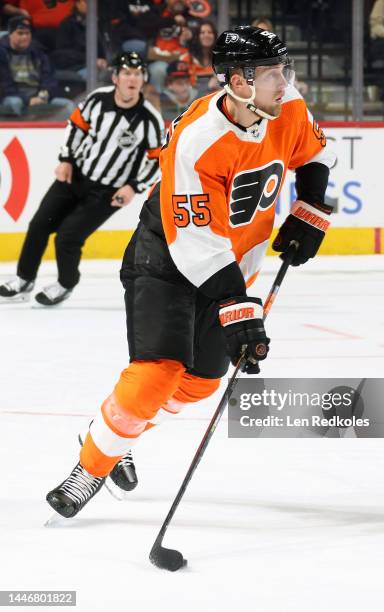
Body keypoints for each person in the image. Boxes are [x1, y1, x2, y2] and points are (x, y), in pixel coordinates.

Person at [45, 25, 336, 519]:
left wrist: (310, 212)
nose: (284, 82)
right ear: (238, 82)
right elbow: (196, 242)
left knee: (201, 380)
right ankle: (90, 467)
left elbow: (317, 155)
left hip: (228, 263)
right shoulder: (197, 139)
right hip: (166, 260)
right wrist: (238, 307)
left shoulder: (286, 106)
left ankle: (115, 435)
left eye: (284, 70)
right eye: (272, 73)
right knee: (158, 373)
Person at [0, 52, 165, 306]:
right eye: (126, 73)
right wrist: (65, 159)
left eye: (137, 74)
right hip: (75, 176)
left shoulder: (149, 118)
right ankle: (24, 279)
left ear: (143, 79)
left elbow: (157, 159)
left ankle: (65, 283)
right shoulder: (97, 99)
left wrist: (133, 186)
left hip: (108, 192)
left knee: (68, 237)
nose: (131, 79)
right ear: (115, 77)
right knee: (39, 225)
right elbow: (75, 127)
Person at [0, 15, 74, 118]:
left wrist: (42, 95)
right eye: (20, 33)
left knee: (68, 105)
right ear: (10, 35)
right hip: (11, 97)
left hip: (38, 97)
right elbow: (5, 86)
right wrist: (28, 100)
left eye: (27, 33)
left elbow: (49, 79)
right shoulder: (2, 54)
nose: (25, 37)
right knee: (15, 103)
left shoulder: (38, 53)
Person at [51, 0, 108, 82]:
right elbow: (62, 54)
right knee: (97, 77)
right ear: (77, 4)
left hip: (96, 66)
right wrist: (91, 60)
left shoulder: (97, 23)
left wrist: (103, 60)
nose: (91, 5)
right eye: (86, 2)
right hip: (76, 67)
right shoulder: (67, 24)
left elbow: (101, 49)